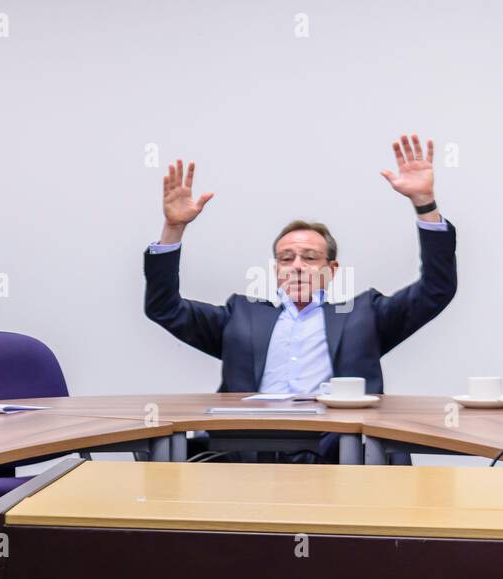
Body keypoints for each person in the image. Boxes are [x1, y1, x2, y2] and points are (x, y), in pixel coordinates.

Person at [144, 135, 457, 398]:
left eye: (309, 257)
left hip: (337, 448)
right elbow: (164, 308)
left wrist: (424, 204)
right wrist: (174, 229)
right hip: (251, 448)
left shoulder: (365, 315)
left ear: (331, 270)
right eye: (286, 258)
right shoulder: (239, 316)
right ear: (276, 271)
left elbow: (435, 290)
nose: (296, 266)